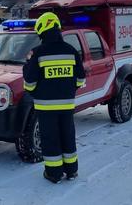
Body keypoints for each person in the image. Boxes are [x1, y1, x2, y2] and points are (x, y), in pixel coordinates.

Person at [22, 12, 86, 183]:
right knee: (68, 136)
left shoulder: (37, 53)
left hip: (45, 107)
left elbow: (29, 82)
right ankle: (72, 171)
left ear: (42, 29)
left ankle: (54, 173)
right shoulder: (71, 51)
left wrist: (34, 92)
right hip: (66, 106)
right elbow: (81, 79)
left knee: (51, 139)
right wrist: (68, 90)